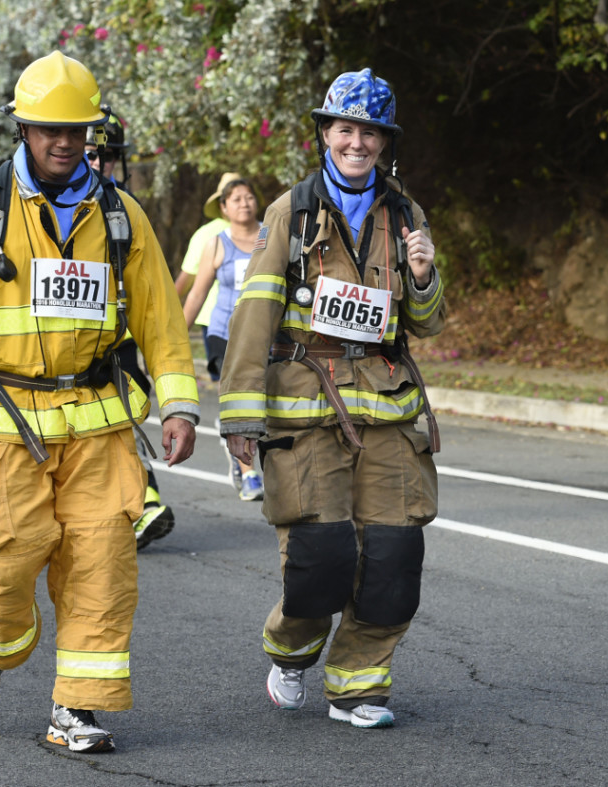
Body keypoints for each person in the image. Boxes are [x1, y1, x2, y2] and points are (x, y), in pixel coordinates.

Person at [0, 51, 199, 753]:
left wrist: (181, 405)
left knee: (101, 561)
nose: (63, 142)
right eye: (47, 129)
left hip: (97, 425)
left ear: (92, 132)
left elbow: (160, 317)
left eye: (76, 130)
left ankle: (77, 709)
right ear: (24, 128)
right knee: (5, 559)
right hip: (2, 422)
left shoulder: (122, 216)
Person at [218, 68, 447, 728]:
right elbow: (253, 315)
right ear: (326, 134)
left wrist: (425, 274)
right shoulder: (289, 212)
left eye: (370, 132)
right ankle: (291, 651)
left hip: (388, 411)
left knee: (395, 558)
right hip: (306, 410)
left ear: (384, 141)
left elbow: (427, 322)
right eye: (345, 128)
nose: (357, 143)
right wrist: (240, 414)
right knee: (321, 561)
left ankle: (358, 685)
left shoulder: (406, 214)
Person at [84, 109, 176, 550]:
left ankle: (142, 506)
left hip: (118, 345)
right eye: (90, 155)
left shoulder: (125, 211)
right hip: (62, 352)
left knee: (123, 421)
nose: (99, 166)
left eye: (107, 157)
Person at [183, 173, 265, 502]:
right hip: (224, 333)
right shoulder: (217, 242)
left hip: (263, 334)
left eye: (248, 197)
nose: (244, 204)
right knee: (239, 398)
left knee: (266, 404)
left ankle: (243, 451)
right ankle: (248, 473)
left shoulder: (272, 237)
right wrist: (174, 341)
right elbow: (197, 294)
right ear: (224, 208)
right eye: (236, 199)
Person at [173, 185, 230, 382]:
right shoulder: (209, 235)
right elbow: (189, 284)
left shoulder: (262, 231)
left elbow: (184, 282)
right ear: (223, 205)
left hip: (216, 320)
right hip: (216, 318)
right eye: (235, 198)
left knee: (225, 378)